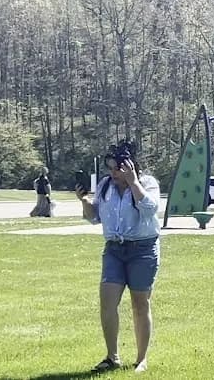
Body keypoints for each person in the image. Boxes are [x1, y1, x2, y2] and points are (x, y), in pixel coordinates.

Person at [75, 141, 161, 374]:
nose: (112, 173)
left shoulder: (148, 183)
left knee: (140, 304)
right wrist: (83, 201)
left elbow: (150, 209)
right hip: (114, 249)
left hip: (142, 250)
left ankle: (141, 359)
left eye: (117, 169)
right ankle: (112, 357)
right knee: (107, 302)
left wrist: (133, 183)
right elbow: (95, 217)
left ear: (130, 166)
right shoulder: (105, 186)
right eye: (110, 168)